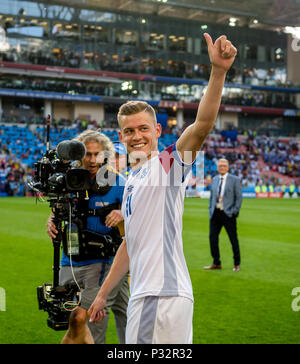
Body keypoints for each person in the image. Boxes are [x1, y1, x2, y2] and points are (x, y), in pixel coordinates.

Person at [88, 33, 237, 344]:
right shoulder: (131, 182)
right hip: (148, 295)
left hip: (161, 294)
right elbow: (130, 244)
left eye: (144, 128)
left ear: (157, 130)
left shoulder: (167, 165)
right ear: (121, 135)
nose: (136, 136)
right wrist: (102, 295)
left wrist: (218, 71)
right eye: (129, 131)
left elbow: (201, 126)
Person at [47, 130, 129, 344]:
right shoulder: (69, 178)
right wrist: (52, 218)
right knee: (77, 317)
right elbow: (57, 208)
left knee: (91, 318)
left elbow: (139, 211)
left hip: (104, 260)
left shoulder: (118, 181)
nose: (92, 160)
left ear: (105, 155)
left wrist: (122, 212)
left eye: (97, 154)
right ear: (79, 155)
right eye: (87, 154)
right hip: (71, 258)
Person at [204, 158, 242, 272]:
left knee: (233, 239)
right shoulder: (215, 179)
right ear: (217, 167)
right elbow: (212, 196)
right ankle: (216, 262)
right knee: (212, 238)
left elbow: (239, 197)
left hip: (228, 214)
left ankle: (236, 264)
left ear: (228, 167)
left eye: (224, 166)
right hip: (215, 213)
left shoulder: (234, 179)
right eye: (220, 166)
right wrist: (210, 209)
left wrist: (234, 212)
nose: (222, 167)